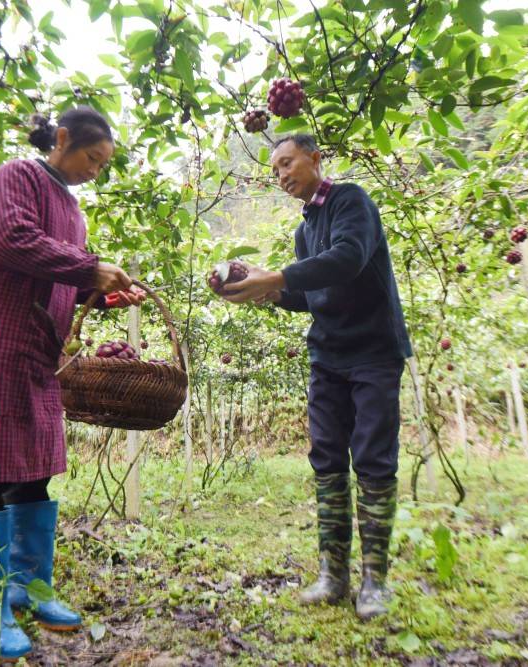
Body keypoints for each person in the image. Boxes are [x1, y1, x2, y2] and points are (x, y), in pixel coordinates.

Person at [0, 107, 145, 659]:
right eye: (93, 158)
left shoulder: (73, 209)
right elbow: (14, 241)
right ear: (62, 140)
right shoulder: (12, 178)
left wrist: (100, 294)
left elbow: (58, 278)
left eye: (103, 164)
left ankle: (29, 586)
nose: (95, 170)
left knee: (33, 469)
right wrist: (90, 268)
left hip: (38, 352)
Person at [221, 134, 412, 621]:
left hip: (372, 352)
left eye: (287, 163)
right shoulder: (305, 232)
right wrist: (263, 291)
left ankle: (375, 579)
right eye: (276, 170)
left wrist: (276, 277)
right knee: (326, 458)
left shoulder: (351, 201)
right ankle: (333, 574)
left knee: (372, 457)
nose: (282, 174)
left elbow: (348, 259)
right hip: (327, 354)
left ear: (315, 158)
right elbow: (311, 295)